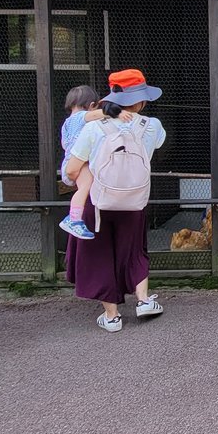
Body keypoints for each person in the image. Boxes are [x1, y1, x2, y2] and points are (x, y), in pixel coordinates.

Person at [63, 68, 167, 332]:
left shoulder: (93, 128)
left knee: (99, 254)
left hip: (98, 201)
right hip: (133, 201)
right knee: (134, 249)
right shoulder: (151, 125)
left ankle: (111, 317)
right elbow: (154, 147)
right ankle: (143, 301)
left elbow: (72, 170)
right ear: (142, 100)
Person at [57, 85, 130, 240]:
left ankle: (75, 218)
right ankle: (73, 219)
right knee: (85, 187)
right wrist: (118, 113)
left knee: (85, 186)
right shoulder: (81, 116)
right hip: (79, 163)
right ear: (91, 106)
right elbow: (98, 114)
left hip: (71, 162)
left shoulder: (67, 123)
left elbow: (65, 145)